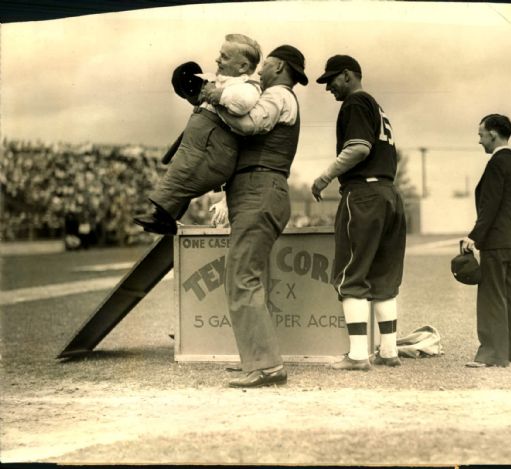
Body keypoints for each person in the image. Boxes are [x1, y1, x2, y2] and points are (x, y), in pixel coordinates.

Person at [205, 45, 308, 388]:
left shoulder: (278, 93)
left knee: (240, 277)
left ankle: (265, 366)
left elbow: (249, 124)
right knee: (248, 277)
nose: (258, 72)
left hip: (259, 190)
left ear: (277, 67)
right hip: (260, 190)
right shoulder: (283, 95)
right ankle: (257, 358)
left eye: (264, 66)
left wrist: (215, 100)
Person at [311, 55, 406, 371]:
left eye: (332, 80)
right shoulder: (376, 106)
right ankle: (389, 351)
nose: (329, 88)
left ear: (348, 75)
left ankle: (357, 355)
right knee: (383, 276)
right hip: (389, 194)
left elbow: (359, 148)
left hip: (363, 194)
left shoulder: (355, 102)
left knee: (351, 274)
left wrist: (324, 177)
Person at [133, 34, 262, 235]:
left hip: (211, 148)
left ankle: (163, 217)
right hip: (203, 144)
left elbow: (243, 102)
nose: (218, 60)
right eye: (220, 55)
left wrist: (217, 95)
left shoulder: (246, 88)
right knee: (180, 178)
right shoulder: (221, 82)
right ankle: (164, 217)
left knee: (182, 176)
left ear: (243, 67)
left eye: (225, 57)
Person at [461, 114, 511, 368]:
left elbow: (489, 207)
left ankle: (492, 354)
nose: (479, 141)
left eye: (481, 135)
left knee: (491, 295)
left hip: (496, 242)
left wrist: (473, 236)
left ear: (493, 134)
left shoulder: (496, 165)